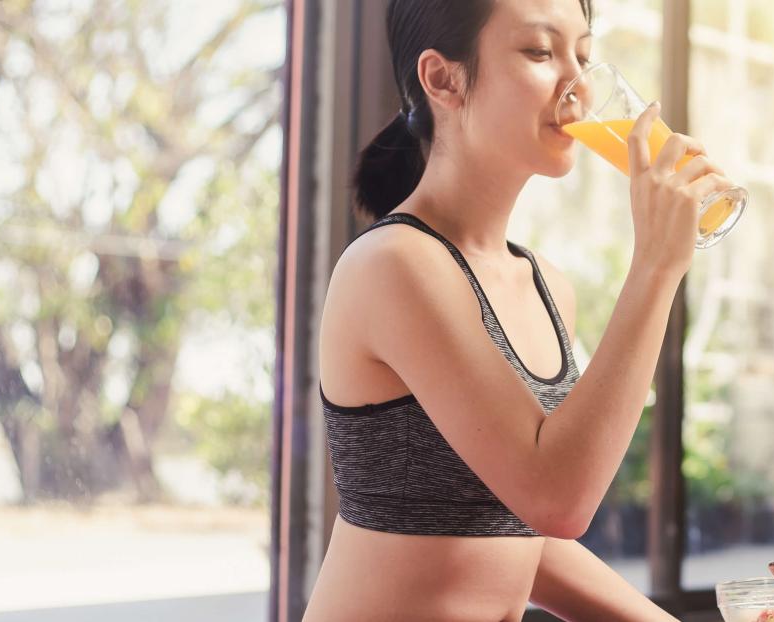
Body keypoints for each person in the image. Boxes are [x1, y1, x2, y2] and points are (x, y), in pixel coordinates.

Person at [304, 0, 731, 619]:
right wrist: (656, 267)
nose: (577, 86)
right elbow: (558, 499)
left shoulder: (545, 285)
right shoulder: (394, 266)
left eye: (583, 57)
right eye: (539, 52)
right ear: (443, 79)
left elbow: (515, 535)